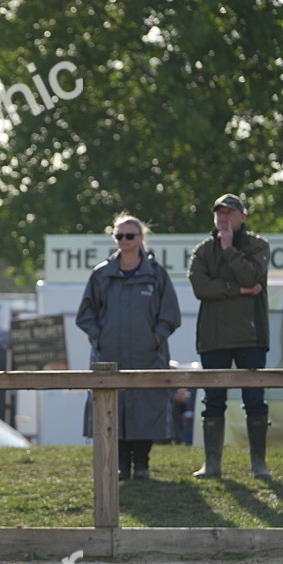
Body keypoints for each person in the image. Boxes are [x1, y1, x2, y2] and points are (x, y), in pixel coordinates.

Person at [76, 213, 181, 481]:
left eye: (130, 235)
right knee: (113, 408)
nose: (124, 240)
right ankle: (121, 463)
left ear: (141, 238)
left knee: (147, 407)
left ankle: (142, 464)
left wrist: (155, 338)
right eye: (119, 235)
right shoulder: (102, 274)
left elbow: (170, 314)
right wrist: (99, 337)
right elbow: (85, 315)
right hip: (110, 356)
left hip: (149, 356)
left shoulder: (156, 274)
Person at [188, 193, 272, 480]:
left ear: (242, 216)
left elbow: (251, 277)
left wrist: (228, 249)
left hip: (251, 337)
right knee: (213, 401)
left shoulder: (258, 245)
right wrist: (238, 290)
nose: (223, 218)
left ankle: (259, 465)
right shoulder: (202, 251)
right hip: (213, 339)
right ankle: (212, 465)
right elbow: (201, 288)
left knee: (255, 400)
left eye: (230, 213)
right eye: (219, 213)